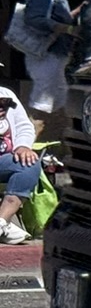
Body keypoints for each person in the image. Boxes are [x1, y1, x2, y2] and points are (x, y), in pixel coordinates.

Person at [16, 0, 82, 141]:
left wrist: (75, 13)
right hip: (47, 57)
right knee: (42, 111)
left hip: (52, 57)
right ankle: (24, 149)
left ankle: (59, 151)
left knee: (60, 109)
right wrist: (66, 28)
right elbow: (34, 18)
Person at [0, 86, 40, 246]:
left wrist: (23, 146)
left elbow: (24, 126)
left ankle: (2, 221)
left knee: (28, 163)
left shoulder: (6, 94)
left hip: (4, 159)